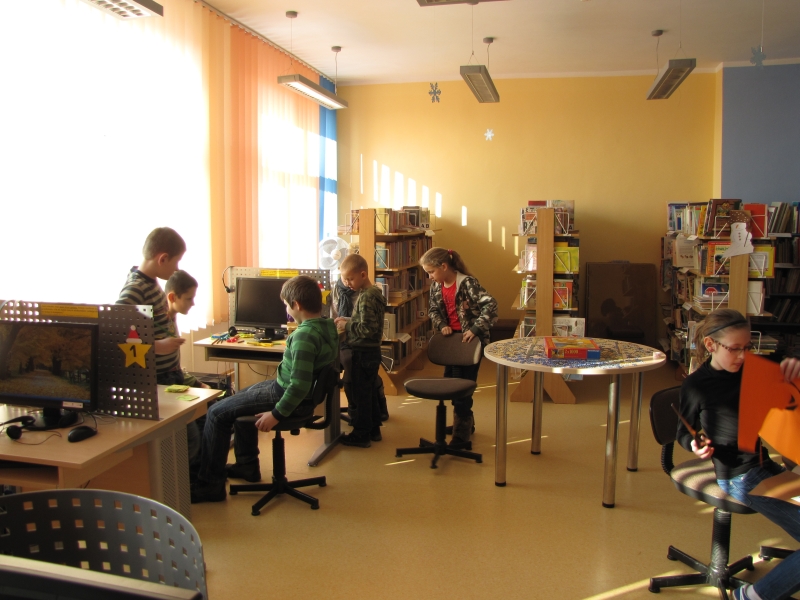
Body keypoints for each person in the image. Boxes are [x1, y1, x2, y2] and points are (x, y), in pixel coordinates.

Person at [678, 308, 800, 600]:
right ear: (711, 345)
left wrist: (793, 365)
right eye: (735, 349)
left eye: (748, 347)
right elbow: (683, 431)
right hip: (739, 477)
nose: (743, 355)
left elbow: (786, 374)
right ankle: (751, 596)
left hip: (766, 466)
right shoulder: (697, 385)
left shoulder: (751, 370)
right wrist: (694, 443)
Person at [192, 275, 338, 503]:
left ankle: (210, 485)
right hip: (289, 391)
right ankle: (247, 466)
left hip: (286, 396)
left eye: (287, 305)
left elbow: (299, 385)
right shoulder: (327, 327)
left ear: (296, 305)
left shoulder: (304, 336)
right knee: (238, 398)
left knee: (216, 412)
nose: (286, 310)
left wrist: (276, 414)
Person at [420, 247, 498, 448]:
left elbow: (491, 305)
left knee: (464, 387)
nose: (430, 277)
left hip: (468, 344)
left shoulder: (468, 283)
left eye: (431, 272)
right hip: (451, 343)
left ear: (444, 266)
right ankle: (464, 422)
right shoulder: (436, 286)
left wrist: (475, 329)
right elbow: (433, 310)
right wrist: (441, 325)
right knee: (452, 384)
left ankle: (462, 430)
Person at [116, 227, 186, 382]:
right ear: (163, 259)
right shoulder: (136, 288)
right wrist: (158, 347)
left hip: (170, 373)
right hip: (156, 378)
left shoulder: (151, 281)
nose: (177, 269)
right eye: (176, 262)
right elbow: (115, 333)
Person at [333, 254, 386, 448]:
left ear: (363, 275)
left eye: (350, 279)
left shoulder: (366, 298)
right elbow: (367, 321)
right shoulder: (374, 292)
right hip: (371, 351)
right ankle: (374, 429)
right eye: (344, 279)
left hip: (363, 352)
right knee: (369, 392)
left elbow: (367, 329)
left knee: (360, 394)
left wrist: (346, 326)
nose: (347, 283)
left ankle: (361, 434)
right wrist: (349, 320)